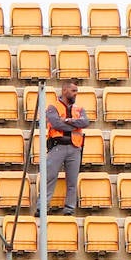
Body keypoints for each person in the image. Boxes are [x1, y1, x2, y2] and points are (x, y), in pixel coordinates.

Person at [44, 81, 89, 216]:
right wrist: (75, 125)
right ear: (65, 91)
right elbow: (57, 124)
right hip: (57, 147)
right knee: (49, 178)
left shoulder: (79, 109)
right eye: (73, 91)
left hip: (74, 148)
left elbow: (85, 122)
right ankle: (42, 207)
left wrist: (68, 121)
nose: (76, 93)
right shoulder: (53, 107)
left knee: (72, 181)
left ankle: (69, 209)